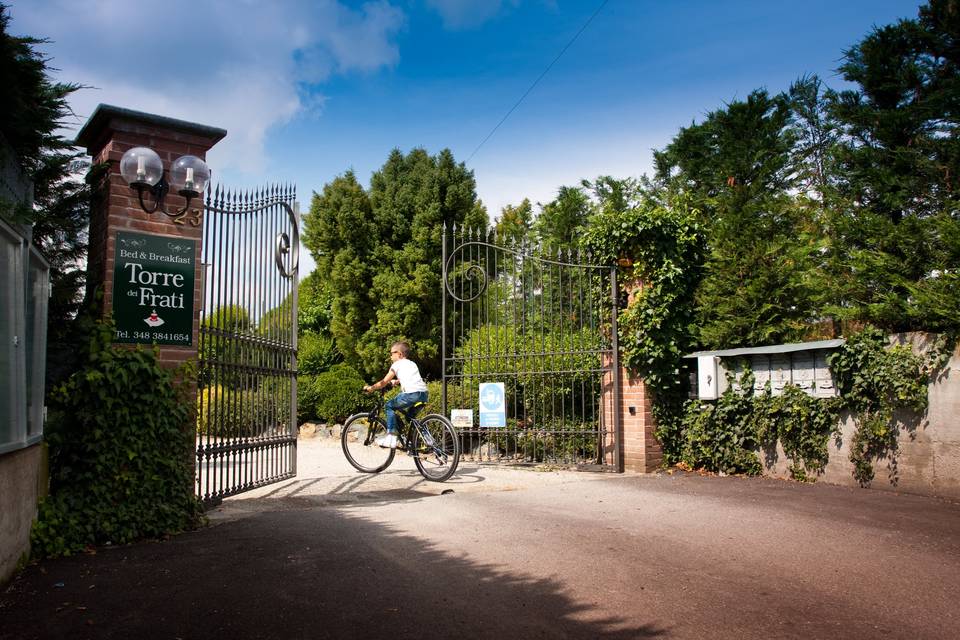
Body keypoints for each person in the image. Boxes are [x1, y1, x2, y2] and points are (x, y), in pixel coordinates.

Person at [363, 341, 428, 448]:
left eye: (392, 353)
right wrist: (396, 381)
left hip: (411, 394)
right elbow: (409, 378)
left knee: (389, 406)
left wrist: (371, 388)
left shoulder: (396, 364)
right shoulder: (412, 363)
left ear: (400, 354)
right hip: (423, 394)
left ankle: (392, 436)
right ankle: (426, 438)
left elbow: (383, 382)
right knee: (410, 417)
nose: (390, 356)